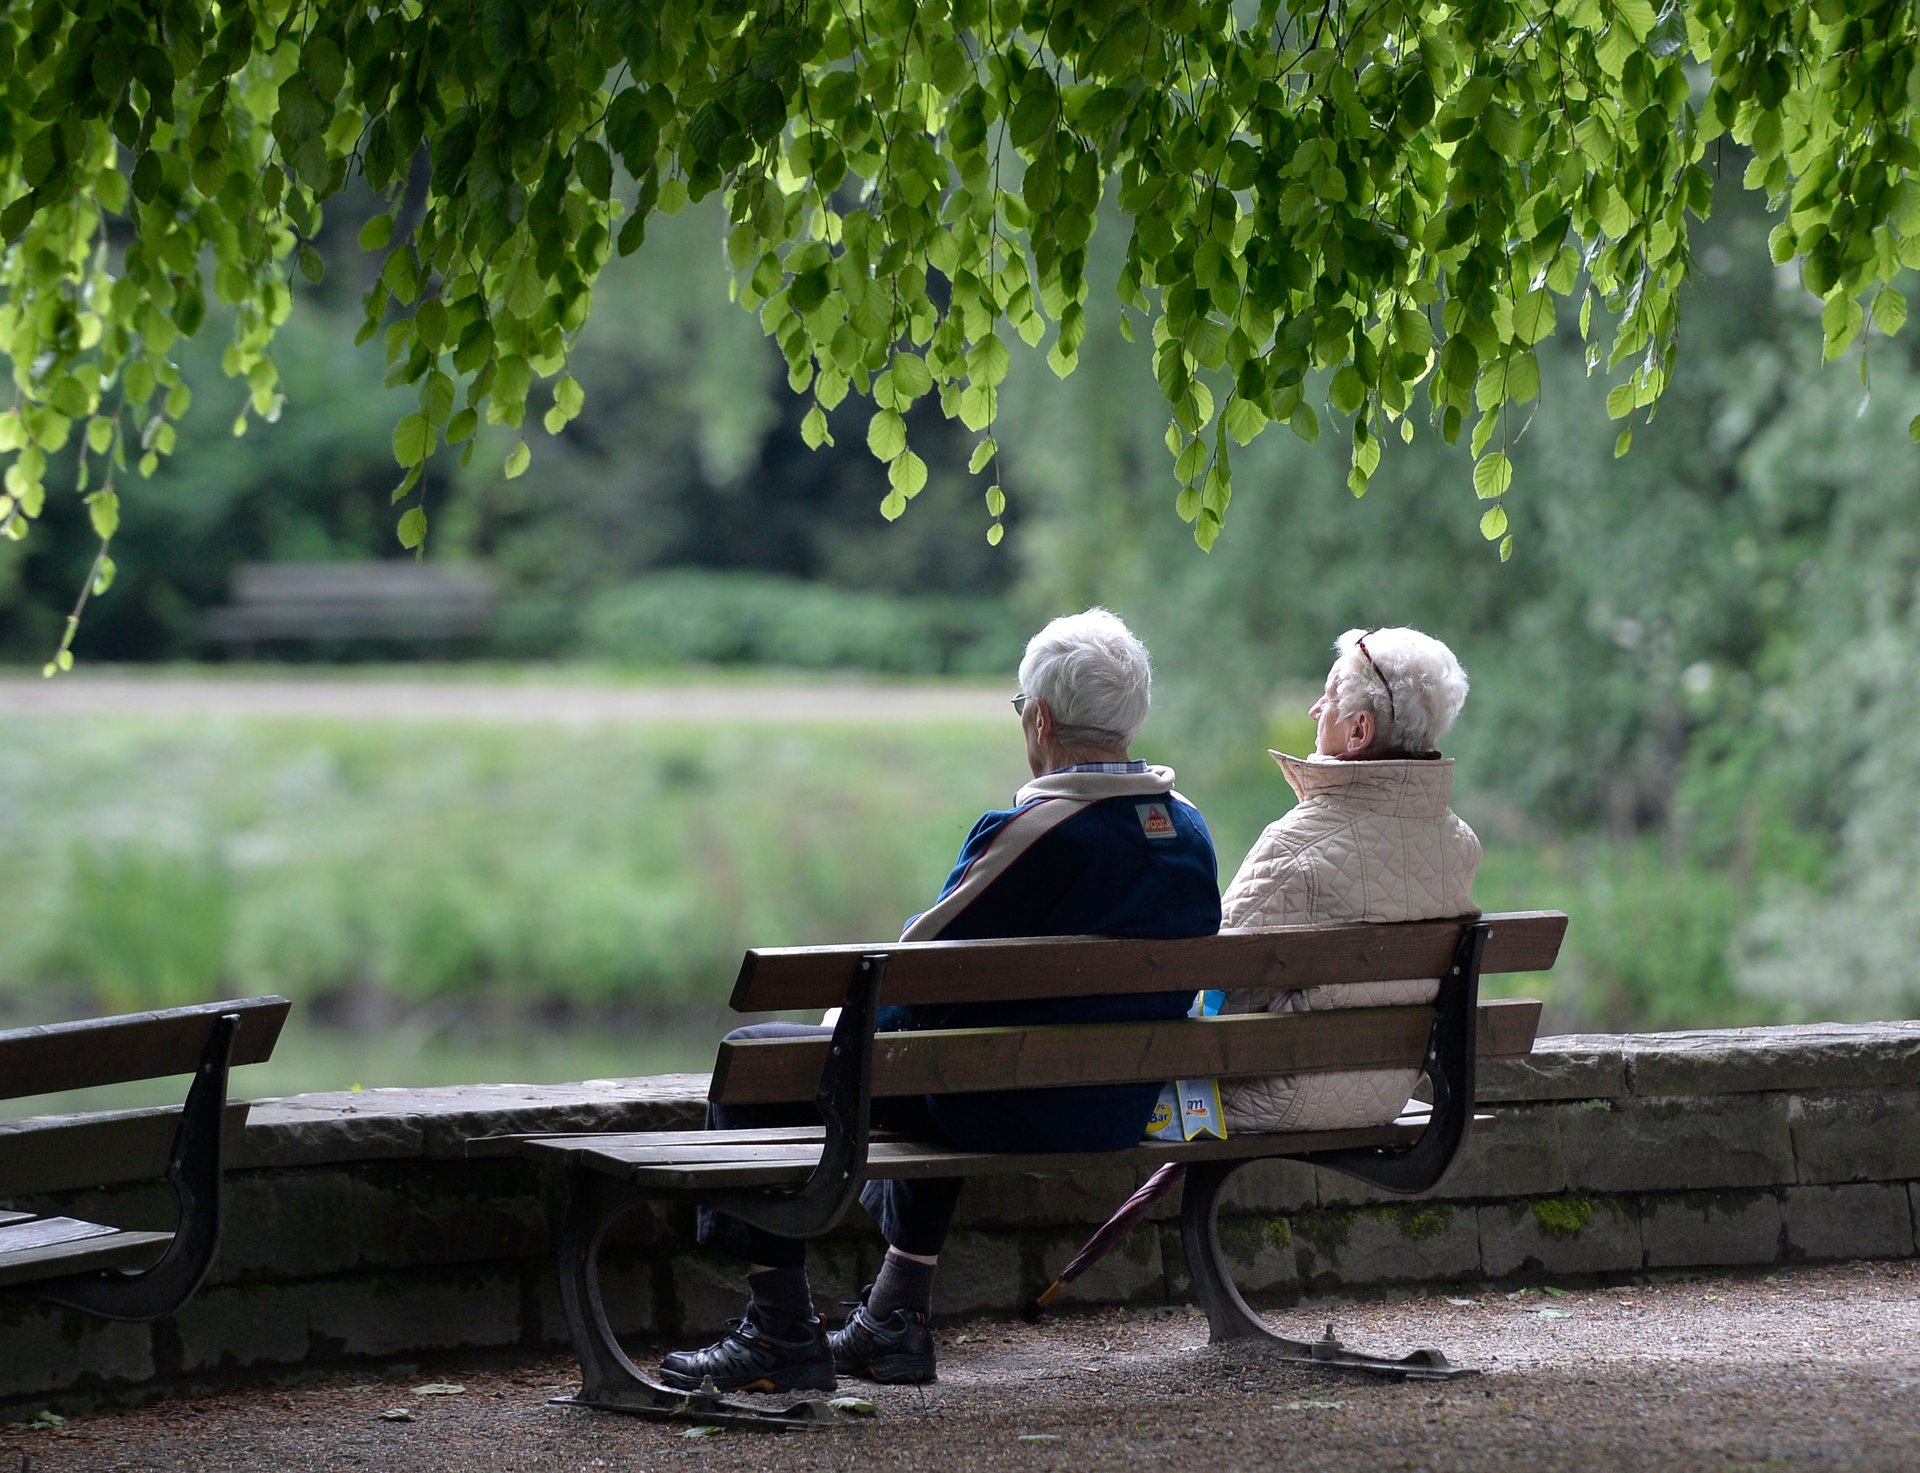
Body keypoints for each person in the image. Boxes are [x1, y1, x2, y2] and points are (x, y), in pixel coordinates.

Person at [658, 608, 1221, 1393]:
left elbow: (907, 967)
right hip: (1119, 1105)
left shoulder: (1038, 831)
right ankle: (896, 1315)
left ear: (1041, 718)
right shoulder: (1188, 831)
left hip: (1015, 1105)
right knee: (947, 1050)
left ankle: (780, 1327)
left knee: (766, 1059)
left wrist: (837, 1037)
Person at [1216, 626, 1481, 1134]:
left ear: (1358, 732)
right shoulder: (1461, 845)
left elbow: (1216, 982)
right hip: (1383, 1097)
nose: (1316, 710)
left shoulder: (1297, 844)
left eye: (1330, 695)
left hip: (1273, 1097)